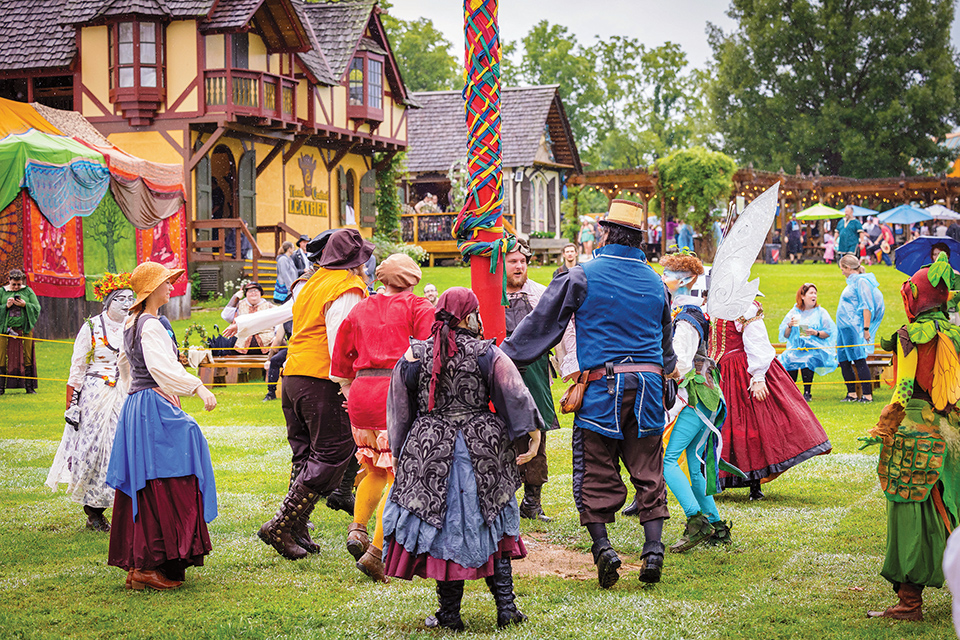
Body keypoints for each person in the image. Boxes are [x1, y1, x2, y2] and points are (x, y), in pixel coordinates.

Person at [502, 199, 675, 588]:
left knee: (594, 469)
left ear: (606, 233)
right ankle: (653, 550)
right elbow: (666, 347)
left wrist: (500, 358)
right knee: (648, 469)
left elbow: (540, 326)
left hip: (603, 387)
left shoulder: (580, 275)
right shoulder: (656, 282)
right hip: (649, 388)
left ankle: (604, 550)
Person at [382, 288, 542, 630]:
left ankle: (450, 615)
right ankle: (507, 609)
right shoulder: (488, 352)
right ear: (470, 315)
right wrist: (532, 432)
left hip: (431, 451)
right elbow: (514, 392)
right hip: (482, 449)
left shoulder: (414, 355)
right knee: (494, 521)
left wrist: (399, 450)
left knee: (443, 529)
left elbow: (399, 407)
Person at [258, 229, 373, 561]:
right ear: (356, 261)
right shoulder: (346, 288)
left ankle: (297, 526)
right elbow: (341, 340)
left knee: (306, 454)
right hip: (321, 378)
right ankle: (282, 524)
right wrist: (348, 386)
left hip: (294, 375)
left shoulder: (313, 282)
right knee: (332, 453)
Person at [106, 262, 218, 591]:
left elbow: (125, 368)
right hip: (151, 407)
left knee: (151, 482)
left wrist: (137, 395)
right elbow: (158, 367)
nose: (171, 287)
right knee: (176, 472)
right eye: (166, 283)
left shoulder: (131, 323)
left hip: (138, 407)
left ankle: (141, 565)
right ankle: (149, 564)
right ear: (151, 289)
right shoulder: (150, 324)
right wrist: (196, 386)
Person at [863, 252, 959, 621]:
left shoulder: (909, 336)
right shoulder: (954, 333)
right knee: (947, 505)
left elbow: (903, 389)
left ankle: (909, 602)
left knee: (909, 513)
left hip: (914, 431)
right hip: (948, 430)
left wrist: (883, 427)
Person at [329, 254, 435, 582]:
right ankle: (377, 552)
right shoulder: (418, 307)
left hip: (362, 390)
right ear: (412, 279)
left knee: (373, 466)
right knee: (398, 476)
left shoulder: (361, 307)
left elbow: (340, 357)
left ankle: (357, 530)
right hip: (395, 390)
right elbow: (430, 351)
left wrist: (350, 388)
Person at [45, 274, 134, 531]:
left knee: (124, 447)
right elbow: (77, 368)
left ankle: (122, 506)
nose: (126, 303)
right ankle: (94, 511)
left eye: (130, 298)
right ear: (107, 302)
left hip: (126, 393)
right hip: (96, 395)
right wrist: (72, 404)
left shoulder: (135, 325)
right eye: (120, 299)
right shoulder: (92, 327)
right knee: (95, 449)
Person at [658, 251, 733, 552]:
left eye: (668, 273)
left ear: (686, 280)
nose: (663, 278)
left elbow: (681, 363)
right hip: (706, 393)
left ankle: (696, 521)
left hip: (696, 395)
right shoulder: (691, 313)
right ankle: (715, 525)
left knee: (667, 461)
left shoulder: (686, 319)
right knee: (691, 460)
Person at [504, 240, 559, 522]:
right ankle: (503, 502)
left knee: (536, 435)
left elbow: (558, 331)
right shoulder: (490, 295)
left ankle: (532, 503)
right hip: (500, 373)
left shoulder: (540, 294)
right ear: (501, 264)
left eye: (523, 261)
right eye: (513, 261)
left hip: (535, 374)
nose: (519, 266)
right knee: (501, 437)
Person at [836, 255, 885, 403]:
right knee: (843, 359)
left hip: (854, 327)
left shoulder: (862, 282)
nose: (842, 272)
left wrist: (866, 328)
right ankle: (851, 393)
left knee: (858, 358)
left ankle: (867, 395)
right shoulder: (851, 283)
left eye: (842, 269)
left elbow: (866, 306)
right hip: (843, 328)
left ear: (848, 267)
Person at [778, 284, 838, 402]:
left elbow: (828, 332)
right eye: (811, 293)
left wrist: (815, 332)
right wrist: (789, 325)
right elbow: (785, 335)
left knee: (807, 359)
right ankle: (791, 391)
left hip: (816, 349)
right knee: (788, 358)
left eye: (815, 293)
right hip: (797, 348)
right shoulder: (794, 312)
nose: (814, 295)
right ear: (802, 296)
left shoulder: (821, 312)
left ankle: (807, 392)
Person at [0, 269, 40, 395]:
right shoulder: (2, 291)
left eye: (19, 284)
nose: (17, 287)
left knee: (27, 356)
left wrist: (25, 305)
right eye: (14, 284)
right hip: (5, 331)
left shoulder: (28, 291)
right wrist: (5, 306)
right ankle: (1, 387)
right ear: (9, 281)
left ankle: (29, 387)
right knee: (2, 357)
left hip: (24, 330)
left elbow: (37, 307)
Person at [222, 283, 275, 355]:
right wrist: (235, 298)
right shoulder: (239, 305)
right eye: (250, 291)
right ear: (246, 294)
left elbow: (278, 323)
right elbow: (226, 316)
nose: (253, 293)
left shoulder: (269, 306)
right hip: (241, 344)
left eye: (256, 290)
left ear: (260, 293)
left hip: (267, 343)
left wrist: (276, 338)